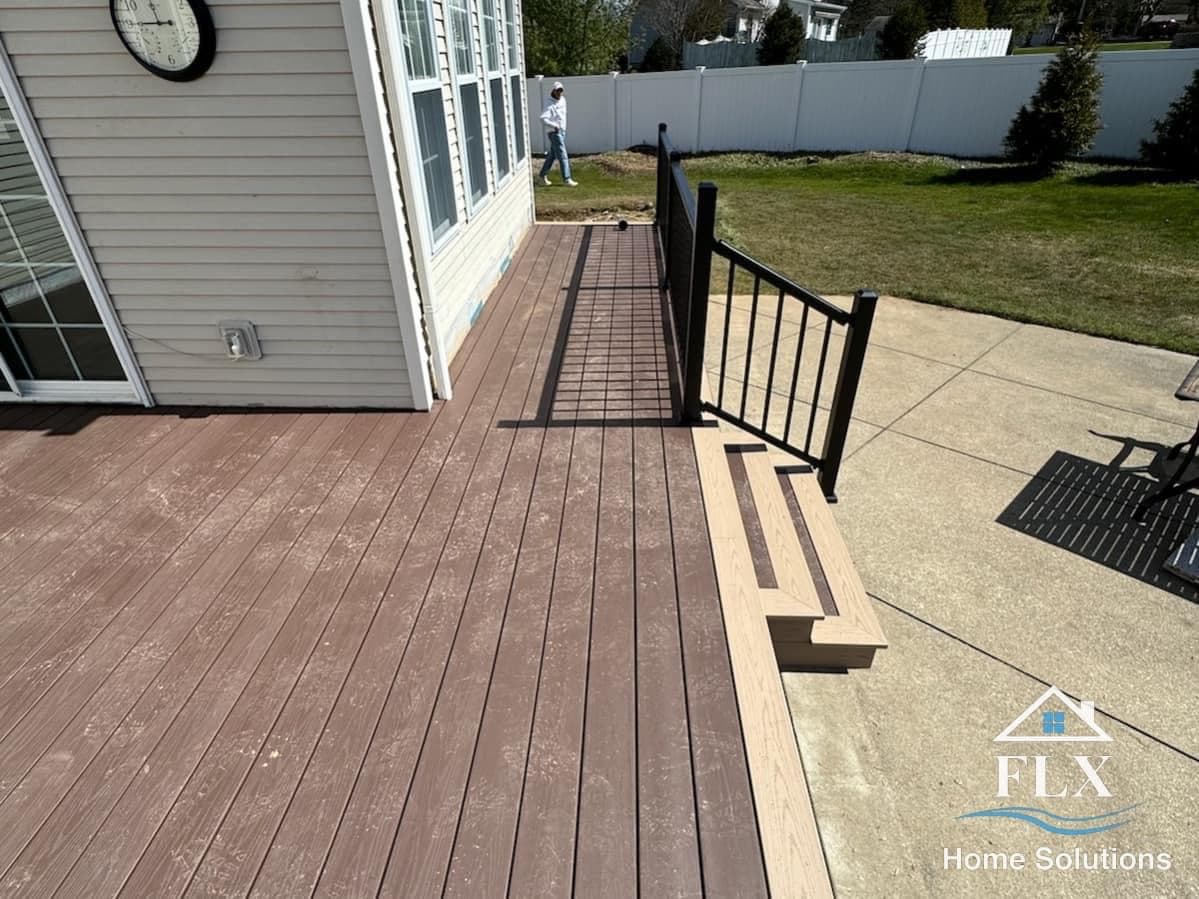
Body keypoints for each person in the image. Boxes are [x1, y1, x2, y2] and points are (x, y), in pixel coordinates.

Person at [539, 81, 577, 187]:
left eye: (561, 90)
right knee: (563, 155)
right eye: (557, 90)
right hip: (554, 133)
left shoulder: (563, 100)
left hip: (562, 131)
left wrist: (562, 128)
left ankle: (542, 176)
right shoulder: (548, 103)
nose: (559, 93)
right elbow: (543, 119)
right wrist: (554, 125)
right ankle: (567, 179)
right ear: (553, 90)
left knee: (552, 155)